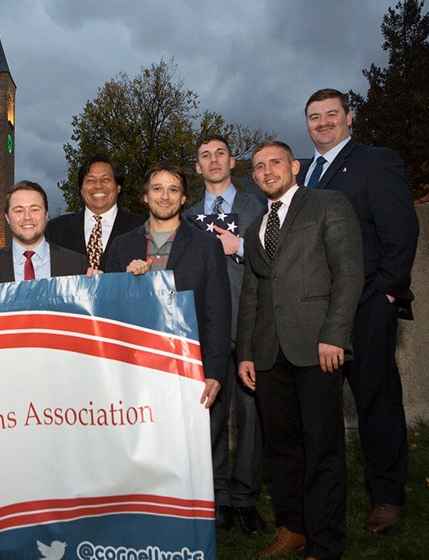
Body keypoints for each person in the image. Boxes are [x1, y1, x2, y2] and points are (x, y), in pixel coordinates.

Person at [297, 88, 419, 534]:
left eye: (332, 114)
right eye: (314, 117)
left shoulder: (375, 161)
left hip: (367, 305)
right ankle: (326, 497)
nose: (323, 123)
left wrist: (387, 292)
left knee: (376, 402)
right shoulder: (304, 175)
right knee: (320, 411)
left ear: (350, 117)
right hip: (316, 312)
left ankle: (387, 497)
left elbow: (401, 231)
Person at [238, 141, 363, 560]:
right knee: (282, 448)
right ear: (253, 177)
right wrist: (247, 354)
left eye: (275, 162)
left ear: (294, 166)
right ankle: (294, 527)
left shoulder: (329, 203)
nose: (268, 171)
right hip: (270, 355)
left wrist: (335, 334)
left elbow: (348, 272)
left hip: (318, 348)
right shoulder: (256, 225)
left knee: (323, 448)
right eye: (259, 167)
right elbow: (253, 295)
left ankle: (326, 542)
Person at [184, 135, 266, 534]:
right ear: (196, 168)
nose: (213, 161)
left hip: (251, 322)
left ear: (233, 162)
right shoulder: (188, 216)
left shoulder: (258, 205)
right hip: (208, 328)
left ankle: (246, 497)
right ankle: (216, 496)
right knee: (211, 414)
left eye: (220, 154)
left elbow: (279, 252)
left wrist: (242, 246)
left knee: (252, 414)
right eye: (205, 156)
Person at [104, 162, 230, 410]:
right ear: (145, 196)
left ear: (183, 198)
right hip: (135, 371)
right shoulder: (121, 247)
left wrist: (214, 372)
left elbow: (218, 314)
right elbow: (110, 314)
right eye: (157, 189)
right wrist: (126, 283)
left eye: (172, 190)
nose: (164, 197)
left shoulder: (206, 247)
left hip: (191, 369)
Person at [0, 181, 88, 292]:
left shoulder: (76, 265)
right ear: (7, 218)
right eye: (19, 211)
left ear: (46, 215)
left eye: (35, 209)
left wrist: (99, 285)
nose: (27, 217)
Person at [45, 154, 146, 270]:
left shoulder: (142, 227)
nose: (98, 186)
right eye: (90, 180)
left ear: (118, 187)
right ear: (81, 189)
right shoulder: (56, 229)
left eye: (106, 179)